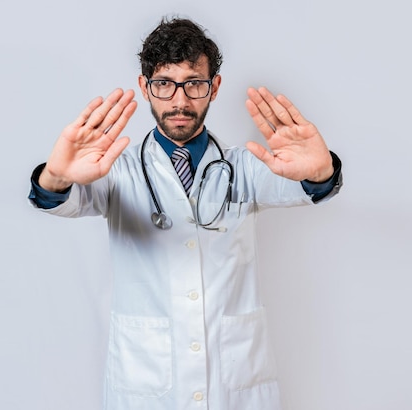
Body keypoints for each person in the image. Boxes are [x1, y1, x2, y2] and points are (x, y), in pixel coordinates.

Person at [29, 16, 342, 410]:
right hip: (146, 384)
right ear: (145, 87)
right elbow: (60, 197)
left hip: (234, 387)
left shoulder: (245, 168)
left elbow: (304, 185)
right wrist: (55, 176)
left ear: (214, 87)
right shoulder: (116, 171)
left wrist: (321, 172)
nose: (180, 101)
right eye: (164, 84)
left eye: (194, 83)